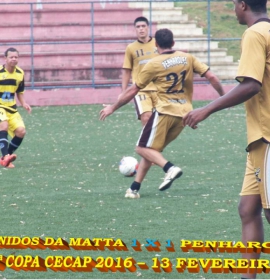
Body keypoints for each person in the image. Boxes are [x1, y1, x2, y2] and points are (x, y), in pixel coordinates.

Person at [183, 0, 269, 278]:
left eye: (234, 4)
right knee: (248, 209)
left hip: (267, 138)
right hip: (258, 141)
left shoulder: (255, 34)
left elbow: (251, 84)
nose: (233, 9)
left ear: (242, 5)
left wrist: (207, 108)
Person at [100, 28, 224, 199]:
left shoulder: (153, 63)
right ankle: (134, 188)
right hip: (184, 115)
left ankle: (169, 168)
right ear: (173, 43)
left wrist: (112, 107)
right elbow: (213, 78)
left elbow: (133, 90)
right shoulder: (187, 58)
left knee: (141, 148)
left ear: (156, 44)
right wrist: (224, 98)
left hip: (165, 112)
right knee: (152, 151)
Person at [0, 47, 31, 168]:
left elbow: (19, 91)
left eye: (16, 57)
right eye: (11, 57)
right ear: (5, 59)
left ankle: (5, 158)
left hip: (11, 108)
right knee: (4, 125)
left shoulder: (20, 73)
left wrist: (24, 103)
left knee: (21, 132)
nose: (14, 59)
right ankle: (6, 156)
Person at [121, 16, 158, 126]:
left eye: (143, 26)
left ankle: (155, 142)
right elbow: (127, 70)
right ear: (135, 29)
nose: (141, 29)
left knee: (161, 121)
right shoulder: (131, 48)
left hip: (160, 88)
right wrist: (124, 92)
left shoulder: (158, 43)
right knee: (146, 117)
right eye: (138, 27)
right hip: (141, 89)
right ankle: (146, 143)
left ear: (148, 28)